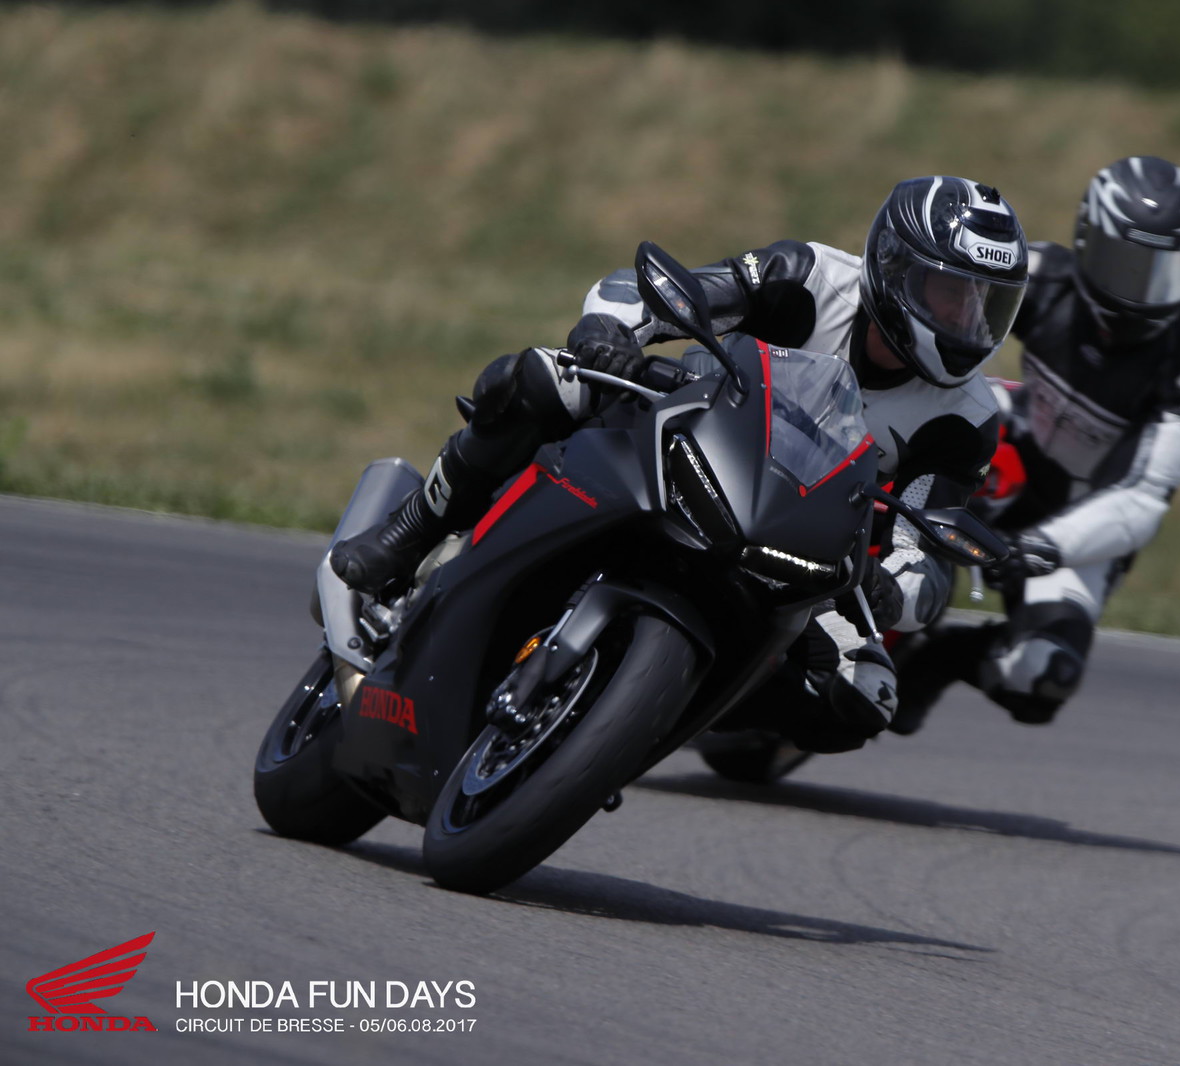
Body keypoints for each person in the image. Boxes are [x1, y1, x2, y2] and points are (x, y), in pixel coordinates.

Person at [330, 175, 1028, 751]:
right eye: (951, 292)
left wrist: (891, 591)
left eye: (985, 303)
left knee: (864, 697)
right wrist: (611, 333)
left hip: (798, 544)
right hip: (691, 440)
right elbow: (671, 294)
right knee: (543, 377)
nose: (968, 319)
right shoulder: (810, 278)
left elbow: (926, 546)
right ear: (895, 269)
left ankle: (658, 714)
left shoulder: (966, 417)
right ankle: (413, 529)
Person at [889, 156, 1180, 734]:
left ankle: (940, 659)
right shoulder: (1044, 275)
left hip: (1084, 522)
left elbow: (1144, 499)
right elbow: (939, 310)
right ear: (1088, 241)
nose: (1141, 292)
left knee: (1041, 678)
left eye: (1164, 272)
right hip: (1010, 444)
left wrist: (1042, 548)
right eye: (1127, 265)